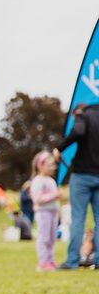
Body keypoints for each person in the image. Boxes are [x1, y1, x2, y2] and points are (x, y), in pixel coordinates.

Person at [54, 103, 99, 270]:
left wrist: (60, 148)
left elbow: (78, 131)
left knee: (78, 218)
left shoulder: (83, 116)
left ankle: (72, 261)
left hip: (82, 175)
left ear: (76, 112)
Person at [31, 151, 61, 271]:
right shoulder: (38, 181)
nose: (52, 168)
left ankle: (50, 260)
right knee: (44, 238)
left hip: (53, 213)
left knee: (52, 238)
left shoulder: (51, 181)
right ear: (40, 165)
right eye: (49, 165)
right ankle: (43, 262)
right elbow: (37, 199)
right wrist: (54, 195)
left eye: (53, 165)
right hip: (43, 213)